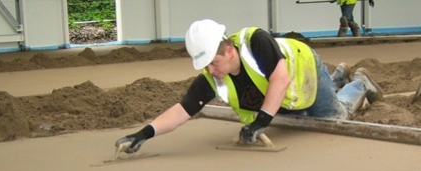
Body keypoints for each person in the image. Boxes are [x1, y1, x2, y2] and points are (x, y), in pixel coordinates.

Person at [115, 19, 382, 154]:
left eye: (213, 62)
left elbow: (280, 79)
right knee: (299, 113)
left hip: (305, 74)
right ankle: (336, 76)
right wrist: (144, 134)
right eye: (205, 65)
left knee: (335, 115)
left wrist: (260, 123)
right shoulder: (213, 76)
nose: (210, 70)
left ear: (229, 50)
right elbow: (184, 110)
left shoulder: (256, 42)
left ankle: (359, 82)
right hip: (287, 97)